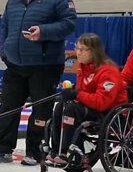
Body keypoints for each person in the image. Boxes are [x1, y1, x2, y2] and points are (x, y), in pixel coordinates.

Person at [0, 0, 77, 165]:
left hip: (45, 65)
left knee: (41, 112)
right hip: (15, 64)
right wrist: (5, 48)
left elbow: (69, 23)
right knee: (7, 108)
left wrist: (43, 32)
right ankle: (2, 149)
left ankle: (35, 152)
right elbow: (5, 22)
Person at [47, 33, 128, 164]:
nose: (78, 52)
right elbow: (82, 93)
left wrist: (76, 95)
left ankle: (65, 152)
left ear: (94, 51)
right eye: (77, 48)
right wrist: (72, 92)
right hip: (92, 108)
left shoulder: (108, 71)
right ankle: (56, 150)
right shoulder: (83, 68)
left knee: (71, 109)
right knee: (61, 106)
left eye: (82, 49)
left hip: (110, 113)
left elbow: (102, 102)